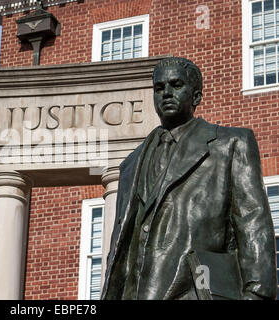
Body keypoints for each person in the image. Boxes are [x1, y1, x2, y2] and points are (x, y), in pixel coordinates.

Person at [101, 57, 277, 300]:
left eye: (176, 85)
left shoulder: (230, 144)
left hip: (193, 292)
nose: (166, 93)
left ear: (196, 96)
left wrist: (257, 295)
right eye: (159, 88)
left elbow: (253, 225)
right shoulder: (130, 164)